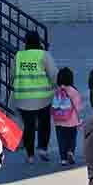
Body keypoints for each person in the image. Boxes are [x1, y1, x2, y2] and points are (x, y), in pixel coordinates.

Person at [12, 30, 57, 164]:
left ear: (25, 42)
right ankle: (43, 148)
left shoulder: (19, 56)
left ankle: (30, 154)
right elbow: (54, 74)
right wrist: (55, 86)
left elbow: (12, 74)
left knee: (29, 126)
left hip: (23, 98)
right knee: (44, 123)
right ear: (38, 41)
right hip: (43, 97)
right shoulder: (44, 55)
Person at [52, 67, 83, 166]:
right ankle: (70, 151)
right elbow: (78, 107)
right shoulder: (73, 91)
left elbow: (53, 106)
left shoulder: (57, 91)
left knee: (61, 140)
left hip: (59, 121)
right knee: (71, 138)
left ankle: (63, 159)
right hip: (72, 121)